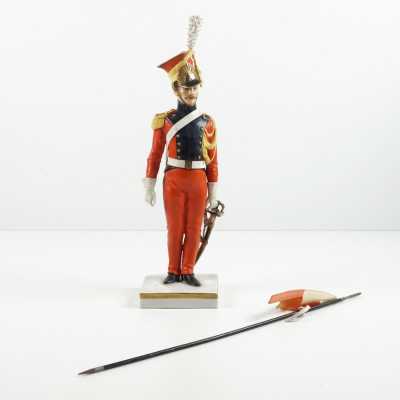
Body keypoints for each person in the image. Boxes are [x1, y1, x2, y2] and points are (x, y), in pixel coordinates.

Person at [142, 17, 219, 286]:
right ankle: (173, 270)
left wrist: (213, 192)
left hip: (198, 181)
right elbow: (155, 155)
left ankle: (188, 270)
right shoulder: (164, 121)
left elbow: (213, 161)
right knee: (174, 228)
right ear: (176, 89)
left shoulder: (207, 122)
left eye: (194, 87)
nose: (191, 92)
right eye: (186, 88)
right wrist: (149, 184)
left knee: (194, 227)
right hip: (173, 180)